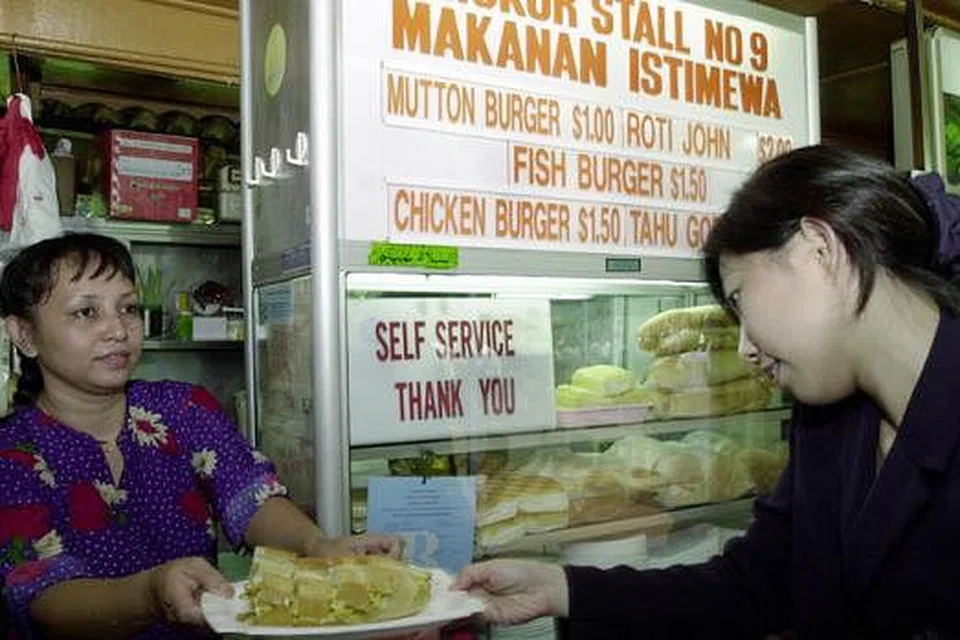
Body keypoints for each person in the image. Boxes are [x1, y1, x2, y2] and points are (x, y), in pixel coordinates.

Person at [455, 145, 960, 638]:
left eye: (739, 299)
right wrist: (559, 587)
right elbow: (752, 587)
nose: (744, 348)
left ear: (818, 249)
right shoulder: (830, 422)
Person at [0, 233, 396, 639]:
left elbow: (249, 495)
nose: (117, 330)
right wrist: (150, 594)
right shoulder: (13, 455)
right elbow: (43, 595)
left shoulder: (181, 409)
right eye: (86, 313)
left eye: (128, 309)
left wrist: (318, 547)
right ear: (24, 335)